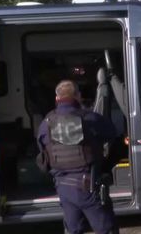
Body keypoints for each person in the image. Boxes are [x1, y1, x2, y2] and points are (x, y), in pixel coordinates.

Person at [37, 80, 118, 234]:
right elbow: (111, 133)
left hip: (63, 188)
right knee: (106, 229)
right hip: (88, 185)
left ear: (56, 98)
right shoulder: (90, 118)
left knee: (73, 230)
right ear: (78, 96)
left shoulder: (45, 124)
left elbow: (42, 152)